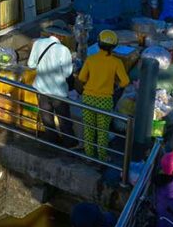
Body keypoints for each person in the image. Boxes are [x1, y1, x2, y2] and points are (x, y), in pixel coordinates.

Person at [76, 31, 130, 160]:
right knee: (102, 130)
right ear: (114, 46)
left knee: (89, 128)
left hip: (88, 98)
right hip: (105, 100)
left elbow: (82, 77)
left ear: (99, 44)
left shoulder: (91, 59)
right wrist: (116, 85)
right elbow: (125, 81)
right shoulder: (116, 62)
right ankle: (102, 156)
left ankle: (89, 156)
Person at [27, 34, 76, 145]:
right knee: (64, 119)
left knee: (46, 118)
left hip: (41, 88)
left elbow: (31, 64)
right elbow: (67, 73)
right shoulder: (64, 50)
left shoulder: (38, 43)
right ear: (62, 37)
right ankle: (69, 143)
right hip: (58, 92)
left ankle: (52, 140)